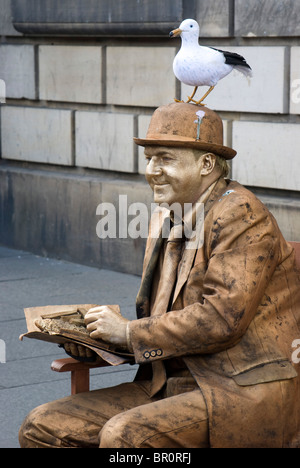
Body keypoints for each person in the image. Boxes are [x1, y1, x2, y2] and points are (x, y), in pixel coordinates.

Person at [19, 103, 300, 448]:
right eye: (149, 158)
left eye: (165, 158)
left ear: (206, 164)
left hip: (234, 388)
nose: (152, 170)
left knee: (124, 438)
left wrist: (128, 331)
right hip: (167, 382)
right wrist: (98, 343)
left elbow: (221, 320)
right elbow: (163, 319)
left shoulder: (241, 213)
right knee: (41, 426)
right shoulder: (166, 215)